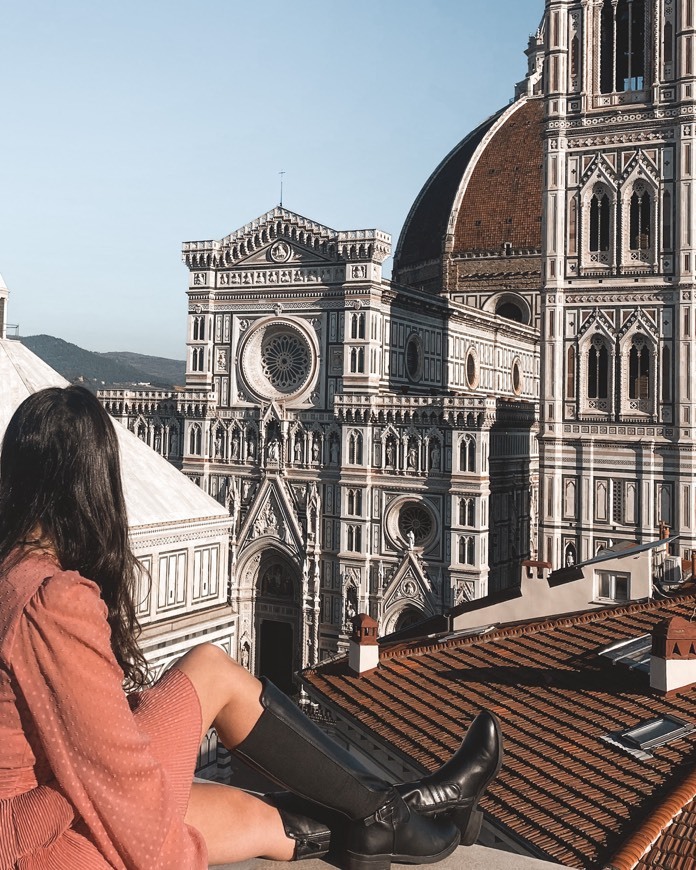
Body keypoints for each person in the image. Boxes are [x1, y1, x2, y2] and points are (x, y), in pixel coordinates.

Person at [0, 386, 503, 869]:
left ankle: (403, 811)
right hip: (42, 848)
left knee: (263, 818)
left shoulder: (11, 574)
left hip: (30, 824)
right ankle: (407, 807)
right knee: (211, 671)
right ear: (94, 486)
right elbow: (117, 778)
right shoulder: (54, 598)